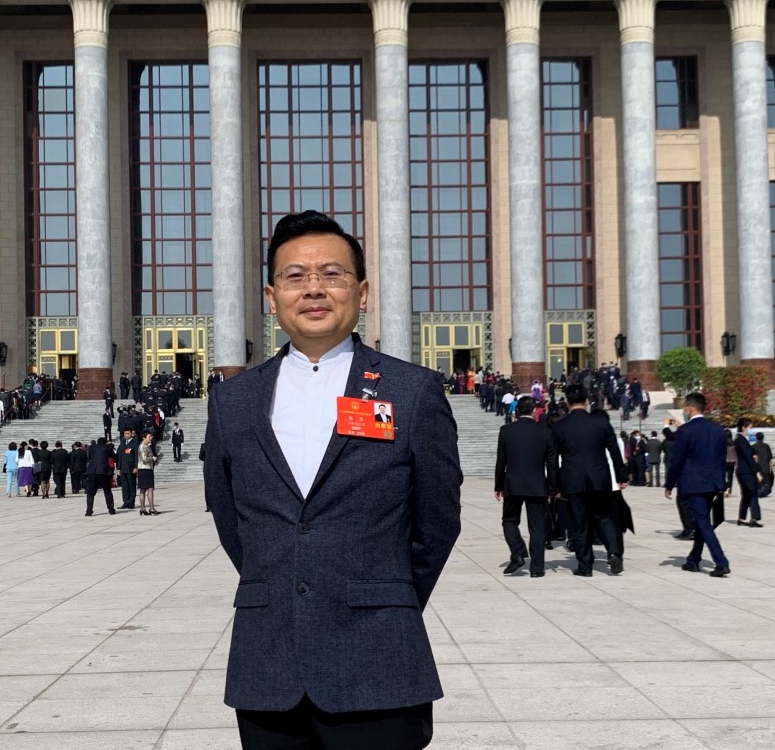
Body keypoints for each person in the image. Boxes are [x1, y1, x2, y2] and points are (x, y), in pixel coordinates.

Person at [204, 210, 461, 749]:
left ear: (361, 292)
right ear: (271, 297)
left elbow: (437, 521)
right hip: (268, 668)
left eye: (332, 274)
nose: (314, 289)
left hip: (379, 663)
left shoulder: (410, 391)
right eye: (295, 276)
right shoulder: (233, 401)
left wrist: (384, 598)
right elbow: (232, 521)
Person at [550, 383, 628, 577]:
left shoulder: (559, 426)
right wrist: (621, 476)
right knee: (603, 516)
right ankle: (614, 552)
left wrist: (555, 485)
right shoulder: (600, 423)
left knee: (579, 522)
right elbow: (614, 451)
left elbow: (552, 460)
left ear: (567, 402)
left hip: (573, 480)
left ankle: (585, 566)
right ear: (586, 400)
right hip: (599, 478)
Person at [664, 392, 731, 577]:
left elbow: (677, 460)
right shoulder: (717, 429)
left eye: (685, 407)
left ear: (690, 408)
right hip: (712, 483)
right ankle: (693, 560)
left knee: (702, 523)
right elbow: (722, 458)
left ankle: (721, 562)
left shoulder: (685, 431)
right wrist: (723, 483)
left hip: (693, 483)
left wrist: (669, 483)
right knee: (702, 522)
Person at [494, 395, 555, 577]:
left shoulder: (506, 430)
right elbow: (551, 465)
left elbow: (501, 461)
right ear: (534, 411)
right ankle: (537, 568)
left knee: (509, 521)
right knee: (537, 527)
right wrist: (552, 488)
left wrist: (498, 485)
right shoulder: (545, 432)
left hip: (513, 484)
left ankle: (518, 551)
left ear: (517, 411)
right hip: (537, 485)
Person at [734, 419, 763, 527]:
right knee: (752, 494)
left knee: (746, 495)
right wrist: (757, 472)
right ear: (743, 427)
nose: (751, 430)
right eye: (750, 427)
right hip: (746, 471)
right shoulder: (741, 440)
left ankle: (741, 518)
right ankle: (754, 518)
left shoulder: (741, 439)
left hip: (743, 471)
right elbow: (748, 457)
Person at [84, 436, 117, 516]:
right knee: (107, 491)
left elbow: (90, 457)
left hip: (92, 471)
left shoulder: (92, 447)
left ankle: (89, 511)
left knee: (90, 493)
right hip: (103, 472)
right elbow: (114, 456)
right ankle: (111, 509)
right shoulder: (107, 448)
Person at [137, 430, 161, 516]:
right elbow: (144, 459)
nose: (151, 438)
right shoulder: (143, 446)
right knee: (145, 489)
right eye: (149, 436)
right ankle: (146, 508)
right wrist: (153, 458)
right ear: (144, 437)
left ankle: (149, 508)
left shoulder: (148, 446)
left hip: (148, 469)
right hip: (144, 469)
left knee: (148, 489)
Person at [116, 429, 139, 509]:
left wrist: (136, 467)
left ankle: (131, 502)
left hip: (131, 468)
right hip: (123, 467)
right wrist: (118, 468)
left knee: (131, 485)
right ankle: (126, 502)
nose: (126, 435)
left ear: (131, 434)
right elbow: (120, 457)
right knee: (124, 486)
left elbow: (136, 456)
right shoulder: (122, 443)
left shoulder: (134, 443)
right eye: (125, 433)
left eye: (128, 433)